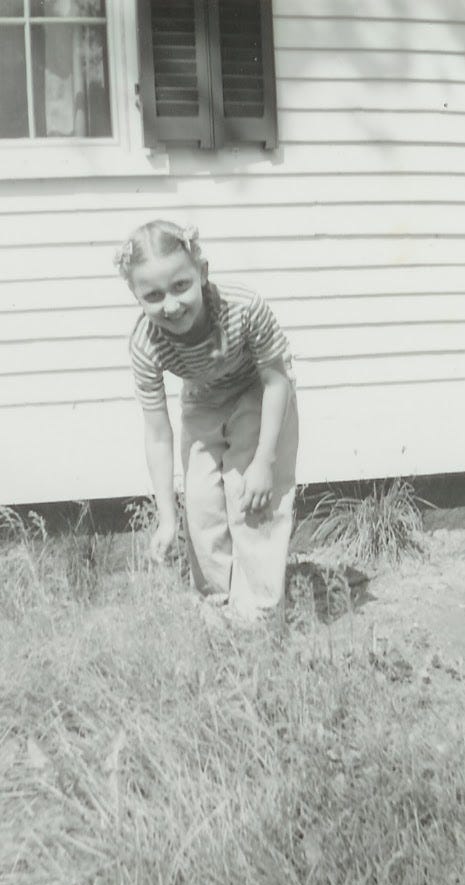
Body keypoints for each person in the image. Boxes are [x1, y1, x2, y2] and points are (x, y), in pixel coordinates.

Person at [115, 220, 299, 624]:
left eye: (181, 285)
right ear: (136, 297)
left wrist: (264, 461)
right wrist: (166, 515)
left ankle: (259, 614)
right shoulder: (146, 345)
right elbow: (159, 434)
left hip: (259, 389)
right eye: (153, 295)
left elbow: (276, 378)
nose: (171, 304)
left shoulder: (243, 306)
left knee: (249, 493)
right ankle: (218, 603)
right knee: (200, 501)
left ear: (203, 272)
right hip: (203, 396)